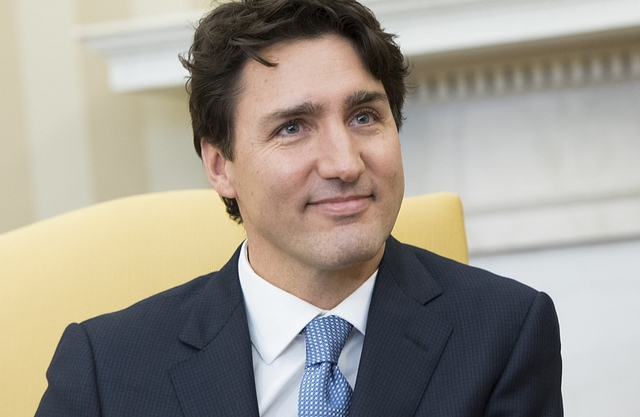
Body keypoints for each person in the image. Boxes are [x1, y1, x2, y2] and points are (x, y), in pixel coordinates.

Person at [36, 0, 563, 415]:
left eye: (363, 117)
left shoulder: (505, 332)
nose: (344, 163)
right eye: (292, 128)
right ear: (221, 167)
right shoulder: (105, 368)